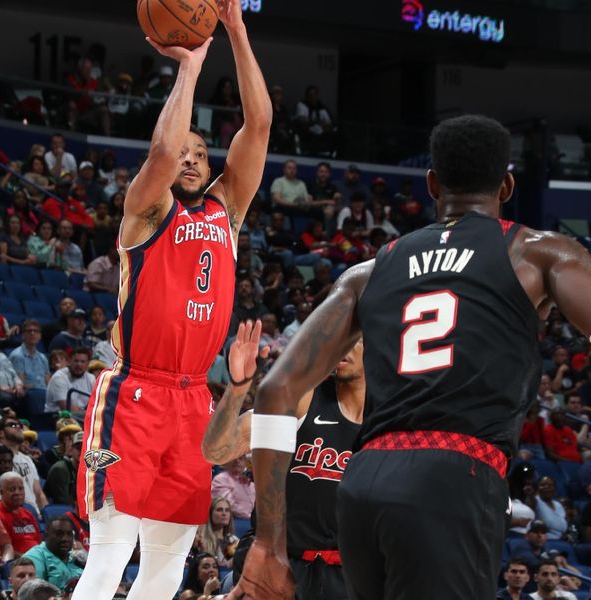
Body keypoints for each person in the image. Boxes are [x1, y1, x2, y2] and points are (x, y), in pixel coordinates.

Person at [233, 114, 591, 600]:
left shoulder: (368, 270)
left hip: (362, 483)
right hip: (454, 477)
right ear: (507, 186)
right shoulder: (538, 252)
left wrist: (271, 546)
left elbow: (276, 390)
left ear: (431, 184)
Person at [73, 4, 271, 600]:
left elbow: (258, 127)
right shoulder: (147, 209)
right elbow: (160, 155)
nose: (189, 158)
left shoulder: (225, 211)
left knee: (168, 565)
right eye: (182, 150)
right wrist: (189, 67)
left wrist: (235, 31)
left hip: (195, 400)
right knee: (110, 553)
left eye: (200, 153)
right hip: (133, 392)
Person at [204, 322, 365, 599]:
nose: (342, 347)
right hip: (277, 564)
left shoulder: (389, 418)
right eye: (337, 339)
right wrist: (238, 387)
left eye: (354, 340)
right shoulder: (304, 397)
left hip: (345, 575)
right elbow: (218, 452)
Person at [0, 418, 48, 510]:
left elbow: (39, 493)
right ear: (0, 433)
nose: (19, 427)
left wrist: (47, 515)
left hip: (33, 515)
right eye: (13, 425)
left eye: (20, 426)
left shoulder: (27, 459)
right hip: (13, 513)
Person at [23, 517, 83, 591]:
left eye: (69, 534)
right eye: (59, 534)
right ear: (46, 536)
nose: (65, 539)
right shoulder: (34, 557)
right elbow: (33, 594)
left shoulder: (77, 558)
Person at [0, 471, 42, 555]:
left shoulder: (28, 513)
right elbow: (4, 549)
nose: (17, 492)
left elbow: (38, 541)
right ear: (1, 492)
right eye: (12, 489)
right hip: (20, 563)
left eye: (21, 488)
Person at [45, 347, 95, 414]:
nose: (79, 364)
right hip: (57, 418)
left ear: (88, 364)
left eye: (82, 362)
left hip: (81, 416)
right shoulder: (59, 377)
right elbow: (67, 408)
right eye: (76, 361)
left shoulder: (91, 378)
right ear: (69, 361)